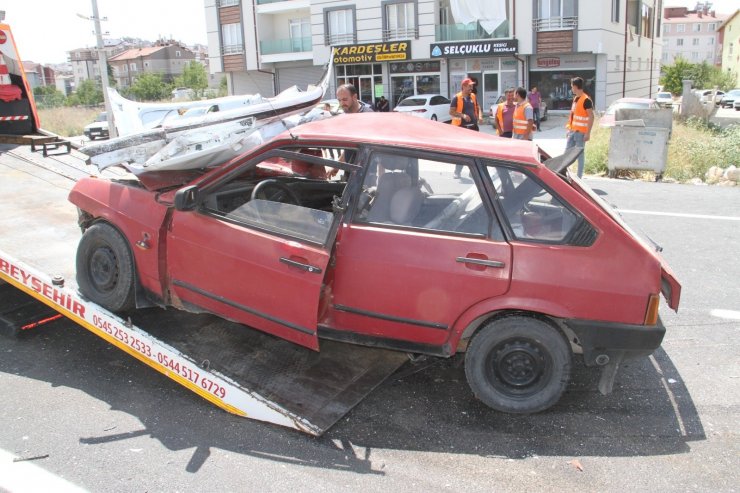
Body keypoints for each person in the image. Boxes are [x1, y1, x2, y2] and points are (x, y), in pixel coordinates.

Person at [449, 78, 483, 178]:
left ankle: (472, 172)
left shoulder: (473, 96)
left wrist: (480, 116)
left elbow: (478, 107)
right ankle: (457, 171)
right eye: (469, 86)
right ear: (463, 86)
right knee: (462, 152)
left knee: (475, 151)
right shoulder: (457, 97)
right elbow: (451, 112)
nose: (471, 88)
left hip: (473, 127)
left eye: (472, 86)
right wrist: (463, 115)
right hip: (461, 129)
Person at [565, 76, 595, 178]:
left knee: (579, 155)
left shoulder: (586, 100)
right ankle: (564, 173)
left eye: (571, 86)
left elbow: (591, 116)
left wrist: (588, 133)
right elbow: (573, 116)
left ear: (575, 86)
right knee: (567, 153)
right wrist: (569, 128)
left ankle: (579, 177)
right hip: (573, 131)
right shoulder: (576, 99)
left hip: (581, 133)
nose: (571, 88)